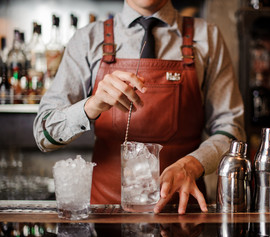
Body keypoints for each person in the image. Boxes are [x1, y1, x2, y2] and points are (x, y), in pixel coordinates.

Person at [33, 0, 246, 214]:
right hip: (105, 215)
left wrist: (193, 164)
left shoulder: (207, 35)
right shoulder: (88, 39)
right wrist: (89, 106)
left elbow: (232, 131)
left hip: (182, 215)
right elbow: (43, 134)